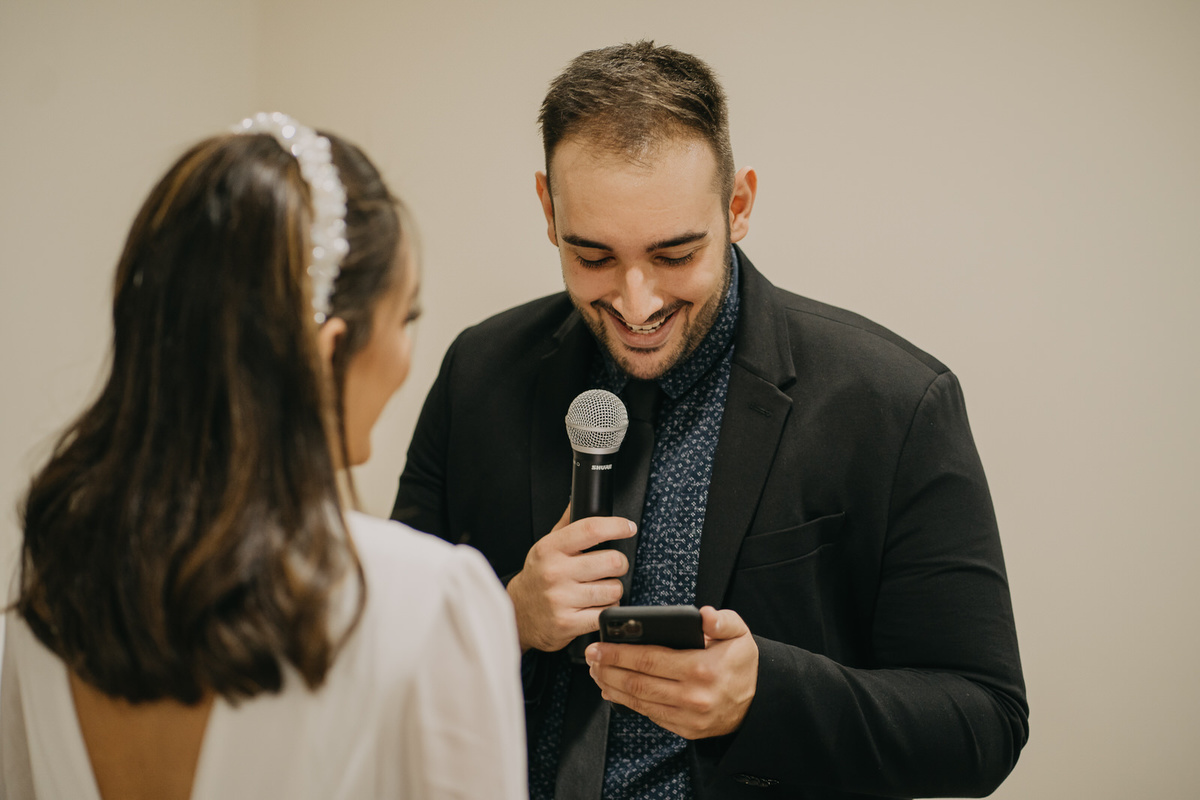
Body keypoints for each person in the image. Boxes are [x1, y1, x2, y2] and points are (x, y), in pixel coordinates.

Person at [393, 42, 1028, 800]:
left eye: (674, 255)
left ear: (738, 206)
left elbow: (984, 725)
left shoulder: (892, 401)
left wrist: (767, 694)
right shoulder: (479, 373)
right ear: (546, 209)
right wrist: (507, 617)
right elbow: (380, 661)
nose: (636, 302)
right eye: (592, 256)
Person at [0, 113, 527, 800]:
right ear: (330, 349)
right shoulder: (426, 603)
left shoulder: (56, 590)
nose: (407, 357)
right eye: (407, 319)